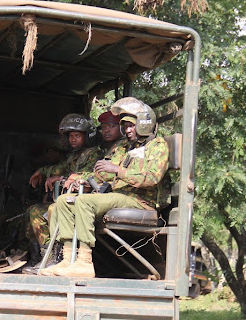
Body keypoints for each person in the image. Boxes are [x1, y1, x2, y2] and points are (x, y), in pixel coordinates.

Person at [41, 97, 169, 278]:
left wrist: (118, 170)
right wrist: (81, 179)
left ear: (144, 124)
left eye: (131, 125)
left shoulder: (157, 146)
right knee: (64, 201)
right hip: (117, 196)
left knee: (85, 203)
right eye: (125, 126)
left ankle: (84, 263)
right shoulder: (124, 147)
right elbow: (104, 173)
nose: (128, 130)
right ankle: (67, 259)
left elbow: (152, 178)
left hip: (139, 200)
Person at [22, 114, 100, 274]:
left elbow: (88, 175)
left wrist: (62, 178)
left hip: (82, 198)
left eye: (77, 136)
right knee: (33, 211)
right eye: (71, 136)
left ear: (87, 136)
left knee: (49, 210)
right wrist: (42, 171)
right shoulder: (74, 155)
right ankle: (40, 256)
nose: (73, 140)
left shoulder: (94, 154)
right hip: (70, 197)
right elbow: (59, 168)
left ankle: (55, 258)